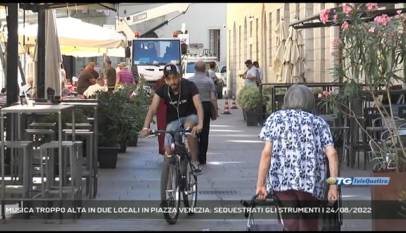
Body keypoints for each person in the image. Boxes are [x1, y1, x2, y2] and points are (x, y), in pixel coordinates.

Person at [256, 84, 339, 231]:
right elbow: (331, 153)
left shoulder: (274, 119)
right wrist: (333, 187)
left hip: (282, 181)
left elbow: (267, 153)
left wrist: (260, 184)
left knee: (291, 223)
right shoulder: (319, 122)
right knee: (309, 224)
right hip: (311, 182)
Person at [140, 63, 204, 190]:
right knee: (168, 150)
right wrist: (145, 127)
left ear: (179, 76)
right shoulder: (162, 90)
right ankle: (168, 190)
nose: (172, 81)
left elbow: (198, 106)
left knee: (188, 127)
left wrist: (201, 123)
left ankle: (195, 162)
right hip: (173, 121)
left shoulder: (189, 86)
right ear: (165, 79)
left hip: (190, 116)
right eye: (169, 79)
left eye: (175, 78)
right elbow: (152, 109)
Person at [189, 60, 219, 169]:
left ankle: (194, 156)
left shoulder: (190, 81)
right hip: (205, 106)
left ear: (195, 69)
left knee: (192, 131)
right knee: (205, 132)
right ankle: (202, 158)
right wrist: (215, 110)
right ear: (204, 69)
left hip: (192, 107)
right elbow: (213, 98)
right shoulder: (209, 81)